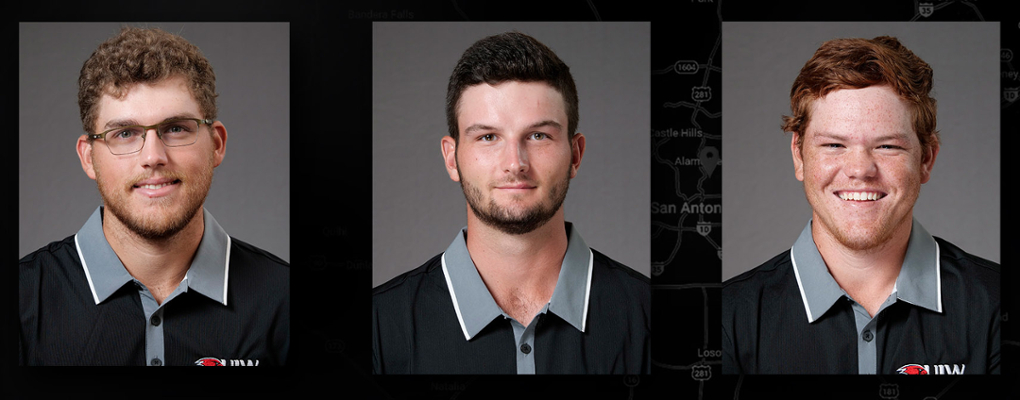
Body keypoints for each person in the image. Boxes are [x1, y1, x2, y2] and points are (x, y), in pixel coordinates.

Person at [371, 31, 650, 374]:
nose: (515, 163)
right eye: (488, 137)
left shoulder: (651, 315)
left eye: (538, 136)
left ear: (575, 155)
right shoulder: (378, 328)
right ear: (451, 158)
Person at [722, 36, 999, 375]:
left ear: (926, 158)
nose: (860, 170)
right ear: (799, 155)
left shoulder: (998, 307)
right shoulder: (726, 319)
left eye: (887, 146)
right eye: (835, 144)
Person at [18, 26, 289, 366]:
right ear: (89, 157)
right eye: (125, 133)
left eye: (176, 128)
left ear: (217, 144)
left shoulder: (286, 301)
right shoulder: (21, 300)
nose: (153, 156)